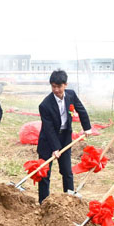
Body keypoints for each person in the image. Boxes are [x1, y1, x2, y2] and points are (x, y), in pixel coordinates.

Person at [37, 70, 92, 204]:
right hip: (48, 141)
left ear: (65, 85)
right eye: (53, 86)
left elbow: (81, 110)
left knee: (67, 172)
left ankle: (69, 201)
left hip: (65, 138)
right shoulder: (45, 105)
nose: (56, 90)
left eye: (59, 86)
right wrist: (55, 148)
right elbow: (48, 129)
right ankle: (43, 203)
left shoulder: (71, 95)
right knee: (44, 173)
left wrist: (87, 128)